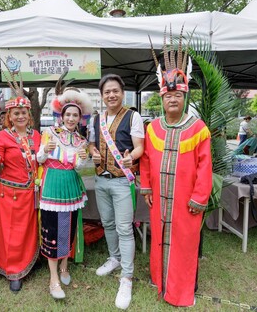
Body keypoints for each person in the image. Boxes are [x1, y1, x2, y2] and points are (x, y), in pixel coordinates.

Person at [140, 35, 212, 307]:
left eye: (177, 95)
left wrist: (198, 198)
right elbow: (146, 159)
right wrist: (146, 187)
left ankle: (181, 291)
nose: (172, 99)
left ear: (184, 96)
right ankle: (161, 283)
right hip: (159, 199)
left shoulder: (198, 128)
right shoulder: (153, 128)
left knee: (184, 244)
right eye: (168, 95)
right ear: (162, 97)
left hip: (185, 202)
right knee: (159, 240)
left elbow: (205, 166)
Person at [88, 74, 144, 310]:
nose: (111, 95)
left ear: (123, 92)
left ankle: (127, 277)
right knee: (108, 223)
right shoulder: (96, 119)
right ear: (102, 96)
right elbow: (90, 143)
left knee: (123, 228)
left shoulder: (133, 116)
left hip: (122, 181)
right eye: (107, 92)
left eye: (115, 91)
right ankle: (114, 258)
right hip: (101, 179)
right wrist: (92, 151)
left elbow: (140, 146)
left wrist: (131, 157)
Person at [37, 86, 92, 300]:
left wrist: (82, 158)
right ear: (61, 115)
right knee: (51, 230)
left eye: (75, 115)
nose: (71, 118)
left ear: (80, 118)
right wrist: (44, 151)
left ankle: (64, 266)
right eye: (67, 114)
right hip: (52, 185)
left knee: (68, 228)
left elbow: (78, 167)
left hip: (71, 186)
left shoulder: (81, 141)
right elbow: (39, 159)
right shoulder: (49, 133)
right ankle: (53, 278)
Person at [0, 82, 41, 293]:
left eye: (23, 113)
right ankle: (13, 270)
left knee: (30, 230)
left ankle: (30, 261)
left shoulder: (36, 136)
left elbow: (42, 160)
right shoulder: (2, 137)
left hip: (32, 192)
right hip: (10, 193)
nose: (20, 116)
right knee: (11, 233)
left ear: (29, 115)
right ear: (9, 116)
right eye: (16, 113)